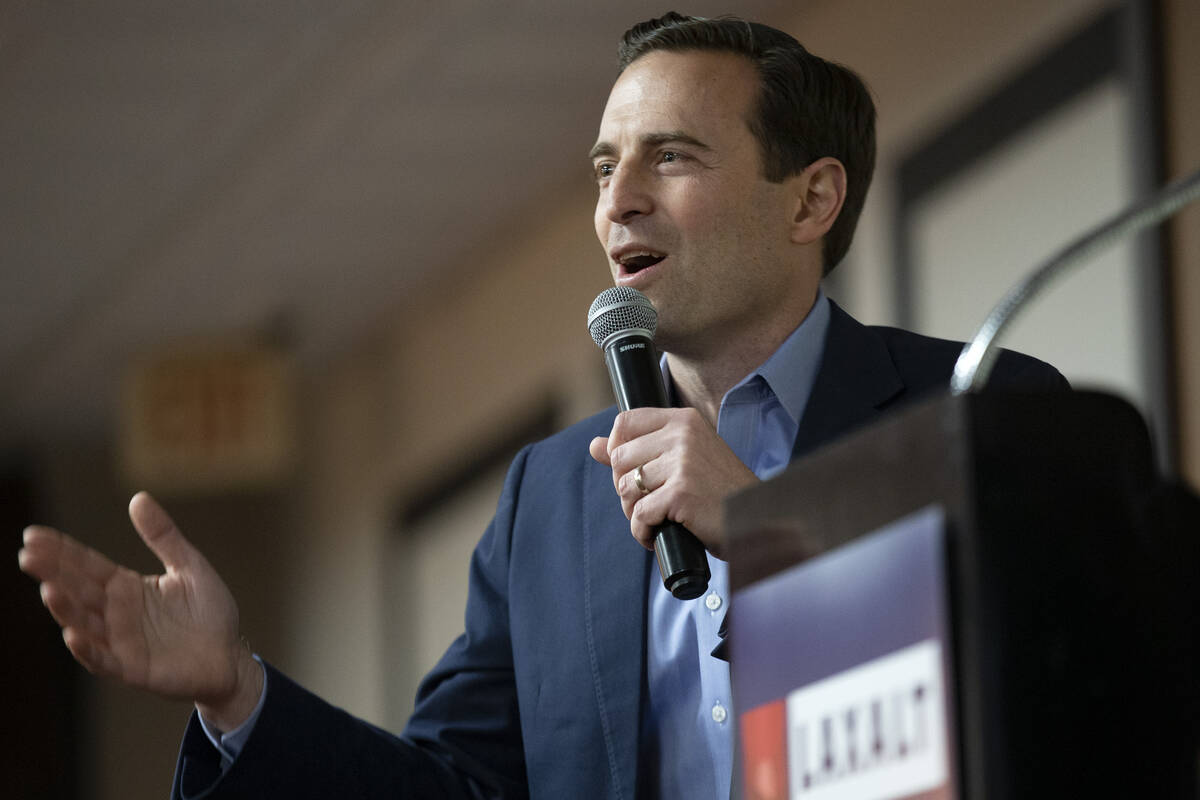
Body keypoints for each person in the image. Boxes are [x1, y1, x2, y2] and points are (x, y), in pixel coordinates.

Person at [17, 12, 1067, 799]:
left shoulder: (982, 407)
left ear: (812, 198)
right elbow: (452, 789)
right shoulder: (552, 499)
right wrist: (236, 690)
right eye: (607, 168)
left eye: (674, 155)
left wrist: (770, 532)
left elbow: (1055, 703)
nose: (618, 202)